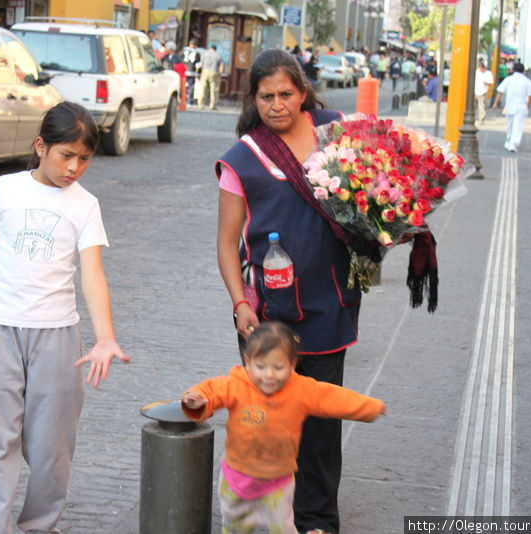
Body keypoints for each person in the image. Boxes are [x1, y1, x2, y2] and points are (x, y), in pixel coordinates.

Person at [0, 102, 130, 534]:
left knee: (52, 448)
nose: (74, 167)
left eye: (84, 158)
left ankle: (40, 526)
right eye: (65, 155)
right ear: (40, 146)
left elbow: (92, 274)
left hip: (57, 337)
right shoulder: (5, 189)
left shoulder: (86, 205)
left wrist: (105, 336)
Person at [215, 48, 364, 534]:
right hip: (267, 314)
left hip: (329, 304)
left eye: (285, 94)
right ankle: (265, 519)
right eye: (265, 96)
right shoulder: (243, 159)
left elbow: (370, 189)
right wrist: (240, 303)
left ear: (303, 93)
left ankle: (317, 521)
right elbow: (225, 242)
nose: (276, 104)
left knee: (321, 423)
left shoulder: (335, 130)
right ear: (252, 99)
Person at [181, 322, 386, 534]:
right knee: (235, 528)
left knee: (283, 528)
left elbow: (333, 398)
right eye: (261, 367)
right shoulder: (236, 384)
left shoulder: (301, 389)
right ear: (248, 362)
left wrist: (370, 407)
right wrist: (197, 398)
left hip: (277, 483)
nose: (269, 375)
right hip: (237, 481)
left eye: (278, 367)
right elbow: (211, 390)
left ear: (292, 364)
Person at [492, 62, 531, 152]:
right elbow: (530, 95)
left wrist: (495, 103)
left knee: (510, 124)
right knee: (518, 125)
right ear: (523, 71)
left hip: (510, 106)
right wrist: (528, 104)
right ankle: (513, 143)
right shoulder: (527, 81)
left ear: (513, 70)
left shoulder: (508, 79)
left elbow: (500, 92)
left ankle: (509, 140)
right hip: (521, 106)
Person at [200, 44, 224, 110]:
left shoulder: (205, 54)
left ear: (210, 48)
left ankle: (201, 104)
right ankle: (213, 105)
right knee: (214, 89)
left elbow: (202, 64)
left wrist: (202, 73)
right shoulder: (218, 55)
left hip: (205, 71)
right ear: (215, 49)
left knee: (203, 88)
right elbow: (221, 66)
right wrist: (220, 75)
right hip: (214, 71)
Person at [182, 38, 202, 105]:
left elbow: (180, 59)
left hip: (184, 70)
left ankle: (182, 100)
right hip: (192, 71)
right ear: (196, 45)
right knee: (191, 87)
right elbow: (198, 65)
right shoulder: (197, 53)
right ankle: (189, 102)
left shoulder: (184, 50)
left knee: (183, 86)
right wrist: (198, 73)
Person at [474, 60, 494, 124]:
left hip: (482, 91)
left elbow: (491, 83)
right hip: (474, 91)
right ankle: (473, 118)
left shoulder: (488, 73)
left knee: (481, 106)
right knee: (473, 106)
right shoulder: (476, 72)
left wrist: (486, 83)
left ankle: (481, 119)